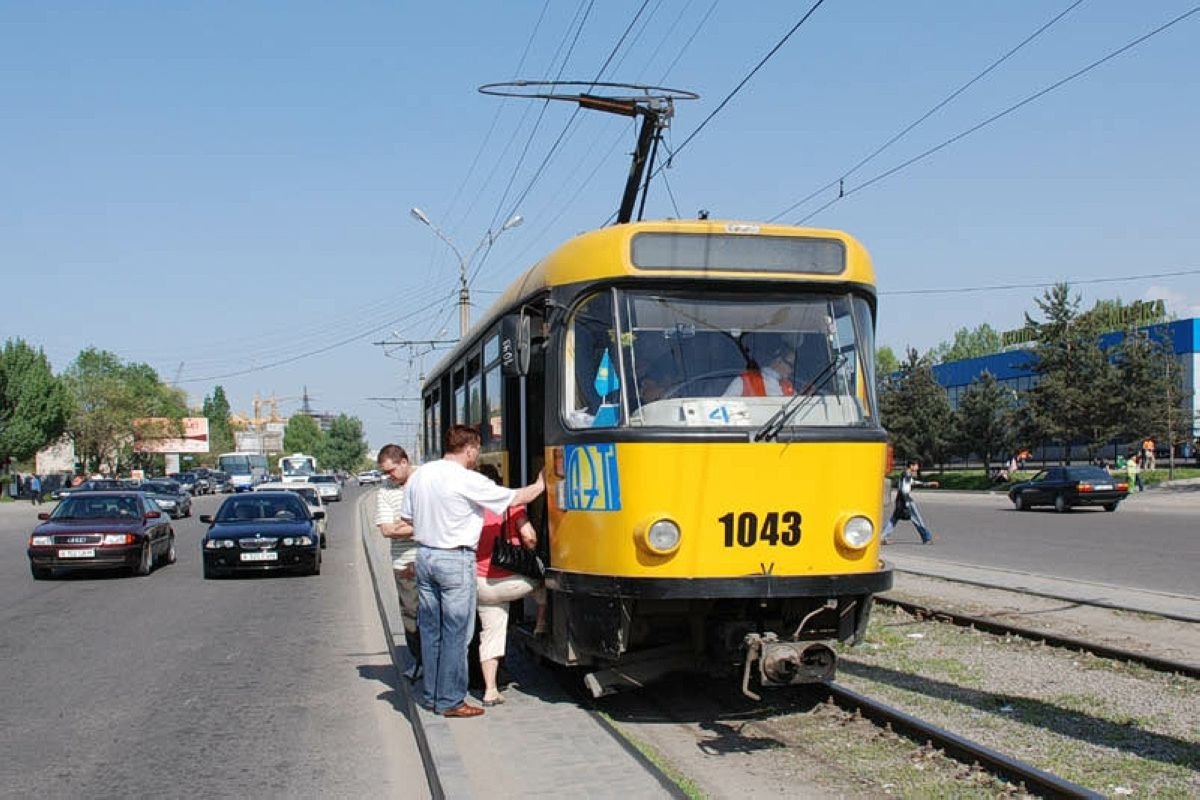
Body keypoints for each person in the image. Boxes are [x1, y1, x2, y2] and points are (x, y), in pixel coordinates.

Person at [401, 425, 545, 718]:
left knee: (431, 630)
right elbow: (514, 498)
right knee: (457, 631)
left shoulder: (421, 475)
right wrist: (542, 484)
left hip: (426, 555)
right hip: (454, 559)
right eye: (477, 450)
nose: (477, 456)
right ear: (469, 449)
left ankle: (432, 694)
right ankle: (452, 700)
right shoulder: (465, 479)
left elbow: (407, 517)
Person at [474, 465, 546, 707]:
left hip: (479, 585)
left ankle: (490, 690)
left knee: (491, 633)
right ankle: (541, 622)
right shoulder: (511, 505)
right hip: (509, 582)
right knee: (543, 581)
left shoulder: (470, 509)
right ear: (499, 483)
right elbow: (529, 536)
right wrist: (530, 552)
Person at [375, 444, 420, 676]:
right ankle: (419, 662)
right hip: (404, 563)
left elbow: (436, 520)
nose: (388, 476)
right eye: (385, 472)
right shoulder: (385, 489)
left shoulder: (424, 479)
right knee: (411, 613)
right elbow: (386, 529)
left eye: (391, 471)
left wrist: (405, 525)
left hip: (430, 557)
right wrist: (418, 526)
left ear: (404, 462)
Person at [881, 459, 939, 545]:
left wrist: (928, 484)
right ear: (911, 466)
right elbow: (905, 489)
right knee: (917, 519)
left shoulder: (905, 474)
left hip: (900, 500)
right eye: (916, 465)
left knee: (894, 519)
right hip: (906, 500)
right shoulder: (907, 474)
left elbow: (913, 483)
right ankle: (926, 538)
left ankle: (883, 537)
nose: (917, 467)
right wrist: (906, 503)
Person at [724, 346, 796, 397]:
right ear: (779, 360)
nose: (792, 370)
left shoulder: (789, 388)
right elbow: (724, 409)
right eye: (790, 365)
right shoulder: (745, 381)